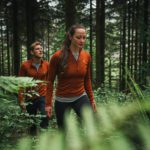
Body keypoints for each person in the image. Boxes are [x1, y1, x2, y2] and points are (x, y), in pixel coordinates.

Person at [45, 24, 96, 129]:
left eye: (84, 37)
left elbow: (87, 79)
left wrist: (91, 99)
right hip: (62, 100)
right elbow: (49, 81)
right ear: (70, 37)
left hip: (80, 97)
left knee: (92, 125)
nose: (82, 40)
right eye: (78, 37)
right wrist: (48, 104)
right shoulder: (57, 56)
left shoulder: (86, 56)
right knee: (63, 133)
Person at [18, 41, 49, 135]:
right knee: (32, 123)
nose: (40, 50)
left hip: (43, 95)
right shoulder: (25, 65)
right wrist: (21, 100)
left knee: (45, 116)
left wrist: (50, 97)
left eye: (41, 48)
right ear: (32, 52)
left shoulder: (47, 64)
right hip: (30, 97)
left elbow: (49, 81)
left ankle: (45, 140)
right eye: (37, 49)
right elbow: (21, 84)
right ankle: (33, 142)